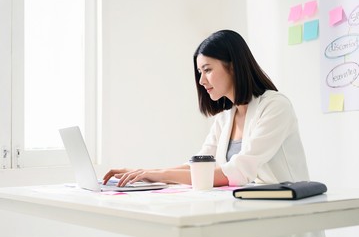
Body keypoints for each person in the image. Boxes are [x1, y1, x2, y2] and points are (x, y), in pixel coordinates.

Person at [103, 29, 310, 187]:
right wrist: (145, 173)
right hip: (250, 213)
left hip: (286, 217)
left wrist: (160, 175)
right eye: (199, 72)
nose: (201, 80)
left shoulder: (275, 107)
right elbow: (201, 166)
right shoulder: (225, 118)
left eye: (207, 70)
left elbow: (238, 171)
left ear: (233, 66)